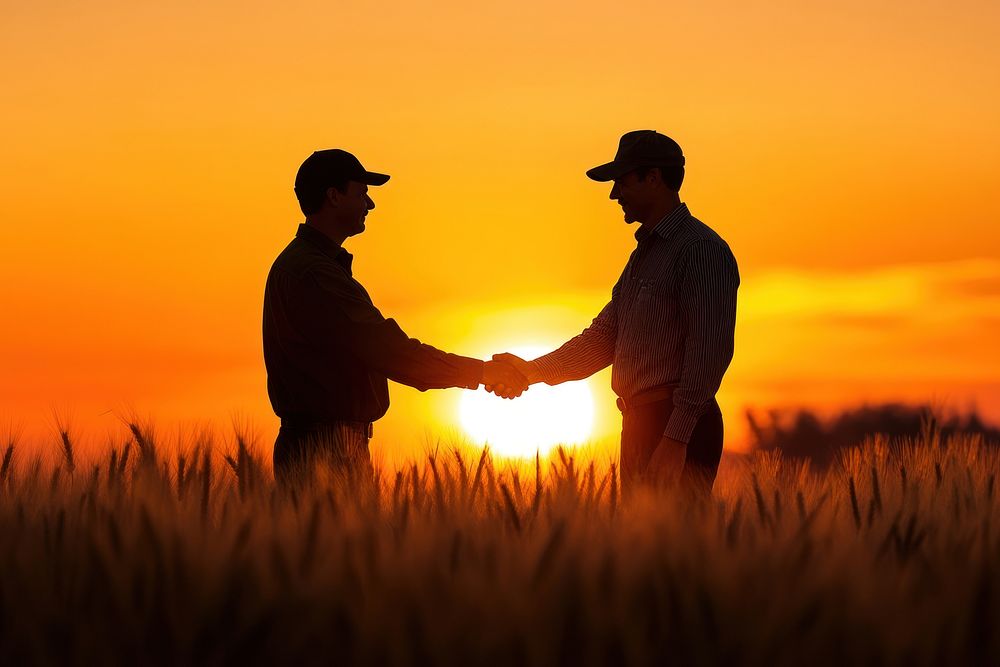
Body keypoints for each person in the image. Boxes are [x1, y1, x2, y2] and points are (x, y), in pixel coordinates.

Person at [495, 130, 739, 495]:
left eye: (621, 182)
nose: (614, 194)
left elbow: (708, 354)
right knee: (641, 545)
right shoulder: (644, 256)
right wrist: (530, 371)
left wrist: (675, 440)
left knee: (675, 546)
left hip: (674, 423)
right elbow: (601, 339)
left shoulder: (700, 250)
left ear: (653, 178)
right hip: (641, 422)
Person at [263, 149, 527, 485]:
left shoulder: (303, 265)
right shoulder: (316, 274)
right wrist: (483, 371)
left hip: (323, 445)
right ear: (333, 196)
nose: (370, 205)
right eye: (362, 193)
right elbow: (392, 352)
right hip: (327, 452)